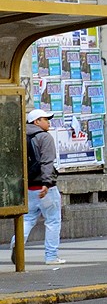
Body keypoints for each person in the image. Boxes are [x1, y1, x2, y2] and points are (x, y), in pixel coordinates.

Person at [10, 109, 63, 265]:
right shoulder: (44, 137)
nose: (48, 122)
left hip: (28, 188)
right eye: (45, 119)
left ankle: (17, 243)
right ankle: (51, 256)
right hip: (45, 189)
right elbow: (47, 162)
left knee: (27, 219)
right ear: (36, 122)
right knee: (53, 221)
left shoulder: (20, 136)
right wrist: (46, 184)